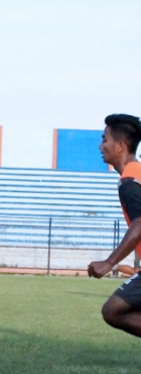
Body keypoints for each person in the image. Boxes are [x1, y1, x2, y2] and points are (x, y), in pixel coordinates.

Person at [87, 113, 141, 338]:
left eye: (104, 139)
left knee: (113, 311)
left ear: (120, 146)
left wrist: (109, 262)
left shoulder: (129, 182)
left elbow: (140, 222)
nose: (101, 146)